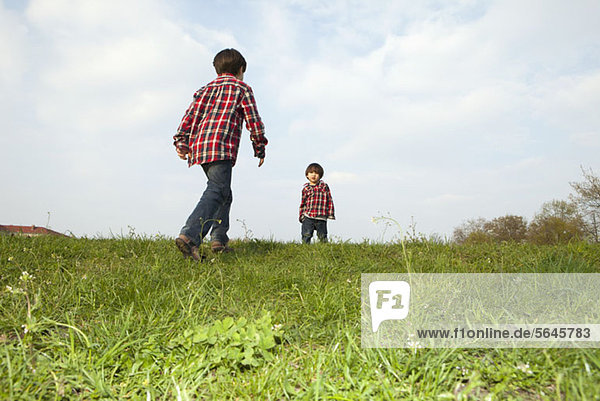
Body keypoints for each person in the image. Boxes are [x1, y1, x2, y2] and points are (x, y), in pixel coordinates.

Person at [173, 48, 268, 260]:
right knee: (217, 190)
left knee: (224, 192)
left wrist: (182, 143)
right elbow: (254, 121)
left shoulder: (206, 89)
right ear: (241, 69)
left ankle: (218, 240)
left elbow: (190, 116)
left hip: (201, 148)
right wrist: (259, 146)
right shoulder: (242, 88)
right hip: (221, 147)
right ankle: (190, 236)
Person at [299, 163, 335, 243]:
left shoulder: (324, 186)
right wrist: (301, 216)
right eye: (311, 173)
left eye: (316, 173)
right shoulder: (306, 189)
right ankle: (305, 248)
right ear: (307, 175)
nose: (313, 175)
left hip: (321, 216)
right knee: (306, 234)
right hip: (309, 215)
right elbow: (303, 204)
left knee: (322, 235)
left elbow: (329, 200)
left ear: (320, 175)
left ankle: (324, 249)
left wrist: (330, 213)